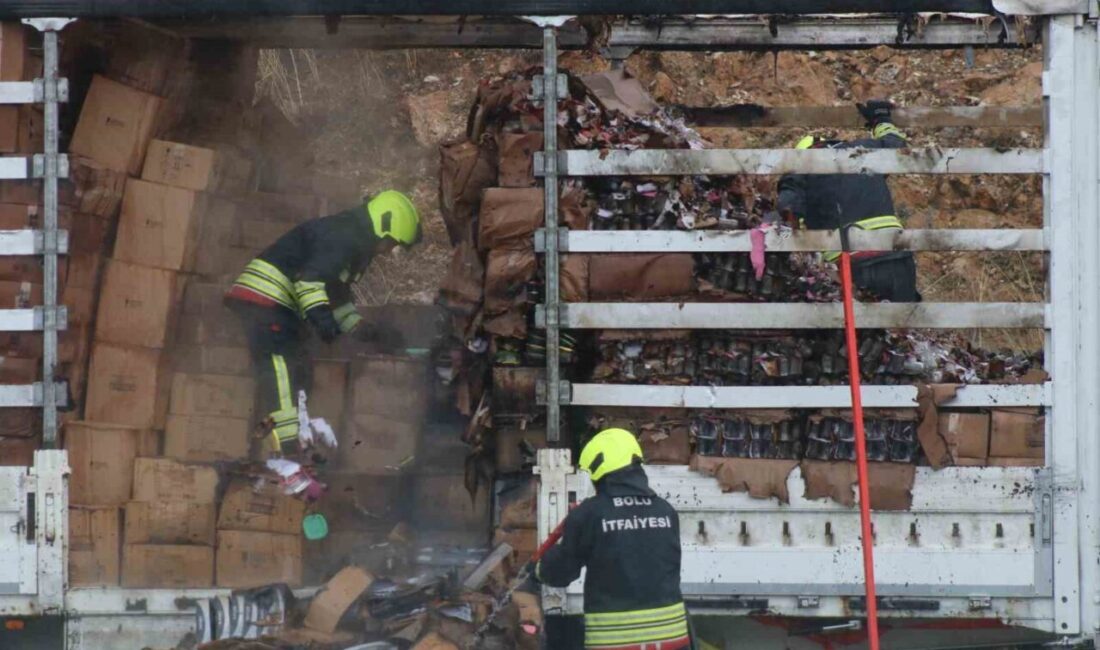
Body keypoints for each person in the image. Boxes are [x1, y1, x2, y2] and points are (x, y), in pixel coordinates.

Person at [224, 190, 420, 455]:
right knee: (280, 368)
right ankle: (288, 448)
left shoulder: (354, 241)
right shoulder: (343, 237)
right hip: (264, 298)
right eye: (392, 243)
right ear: (382, 225)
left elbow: (335, 295)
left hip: (279, 305)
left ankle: (294, 440)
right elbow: (309, 282)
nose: (388, 251)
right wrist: (323, 321)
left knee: (301, 369)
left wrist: (365, 331)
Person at [537, 428, 689, 650]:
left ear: (599, 469)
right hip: (673, 641)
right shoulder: (666, 511)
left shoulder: (589, 514)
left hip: (615, 643)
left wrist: (538, 570)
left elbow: (561, 573)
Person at [775, 100, 921, 302]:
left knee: (861, 331)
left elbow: (788, 207)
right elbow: (897, 144)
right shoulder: (863, 150)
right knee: (901, 324)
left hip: (851, 264)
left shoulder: (801, 166)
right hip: (897, 257)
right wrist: (880, 117)